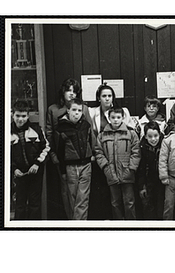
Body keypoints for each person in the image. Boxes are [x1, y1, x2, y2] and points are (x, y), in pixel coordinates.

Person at [87, 83, 136, 220]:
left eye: (110, 96)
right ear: (99, 98)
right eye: (104, 96)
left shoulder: (122, 111)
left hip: (122, 158)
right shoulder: (93, 112)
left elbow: (131, 131)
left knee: (127, 199)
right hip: (105, 156)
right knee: (109, 196)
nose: (107, 98)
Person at [46, 78, 88, 219]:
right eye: (68, 90)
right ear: (63, 92)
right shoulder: (53, 110)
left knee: (81, 195)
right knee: (67, 191)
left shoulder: (84, 108)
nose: (72, 94)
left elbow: (89, 132)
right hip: (61, 157)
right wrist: (53, 155)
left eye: (75, 91)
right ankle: (71, 222)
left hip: (81, 157)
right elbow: (49, 134)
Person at [95, 107, 141, 219]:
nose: (116, 120)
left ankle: (131, 227)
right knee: (115, 203)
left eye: (118, 117)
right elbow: (98, 153)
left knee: (129, 202)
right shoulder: (102, 135)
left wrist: (131, 169)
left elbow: (136, 152)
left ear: (123, 118)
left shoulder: (131, 133)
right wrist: (106, 168)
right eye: (113, 117)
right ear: (109, 118)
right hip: (111, 172)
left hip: (127, 172)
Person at [56, 98, 95, 220]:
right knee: (72, 196)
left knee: (83, 197)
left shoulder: (86, 125)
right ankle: (74, 223)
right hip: (70, 167)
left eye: (79, 110)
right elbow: (60, 151)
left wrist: (91, 155)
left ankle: (80, 225)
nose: (77, 113)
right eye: (74, 110)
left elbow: (90, 142)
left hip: (86, 165)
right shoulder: (61, 127)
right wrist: (63, 171)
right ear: (68, 110)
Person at [11, 101, 50, 219]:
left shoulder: (36, 130)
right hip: (19, 174)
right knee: (20, 204)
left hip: (35, 173)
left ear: (28, 116)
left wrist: (37, 163)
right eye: (17, 115)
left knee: (34, 204)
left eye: (23, 116)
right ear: (12, 115)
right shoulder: (7, 132)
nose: (20, 119)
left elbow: (46, 148)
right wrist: (14, 169)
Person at [137, 121, 165, 220]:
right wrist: (142, 186)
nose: (153, 139)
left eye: (156, 136)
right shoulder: (142, 147)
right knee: (149, 207)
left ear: (160, 134)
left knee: (161, 207)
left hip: (163, 181)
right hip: (149, 181)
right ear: (145, 136)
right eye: (150, 136)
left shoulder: (165, 144)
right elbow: (141, 169)